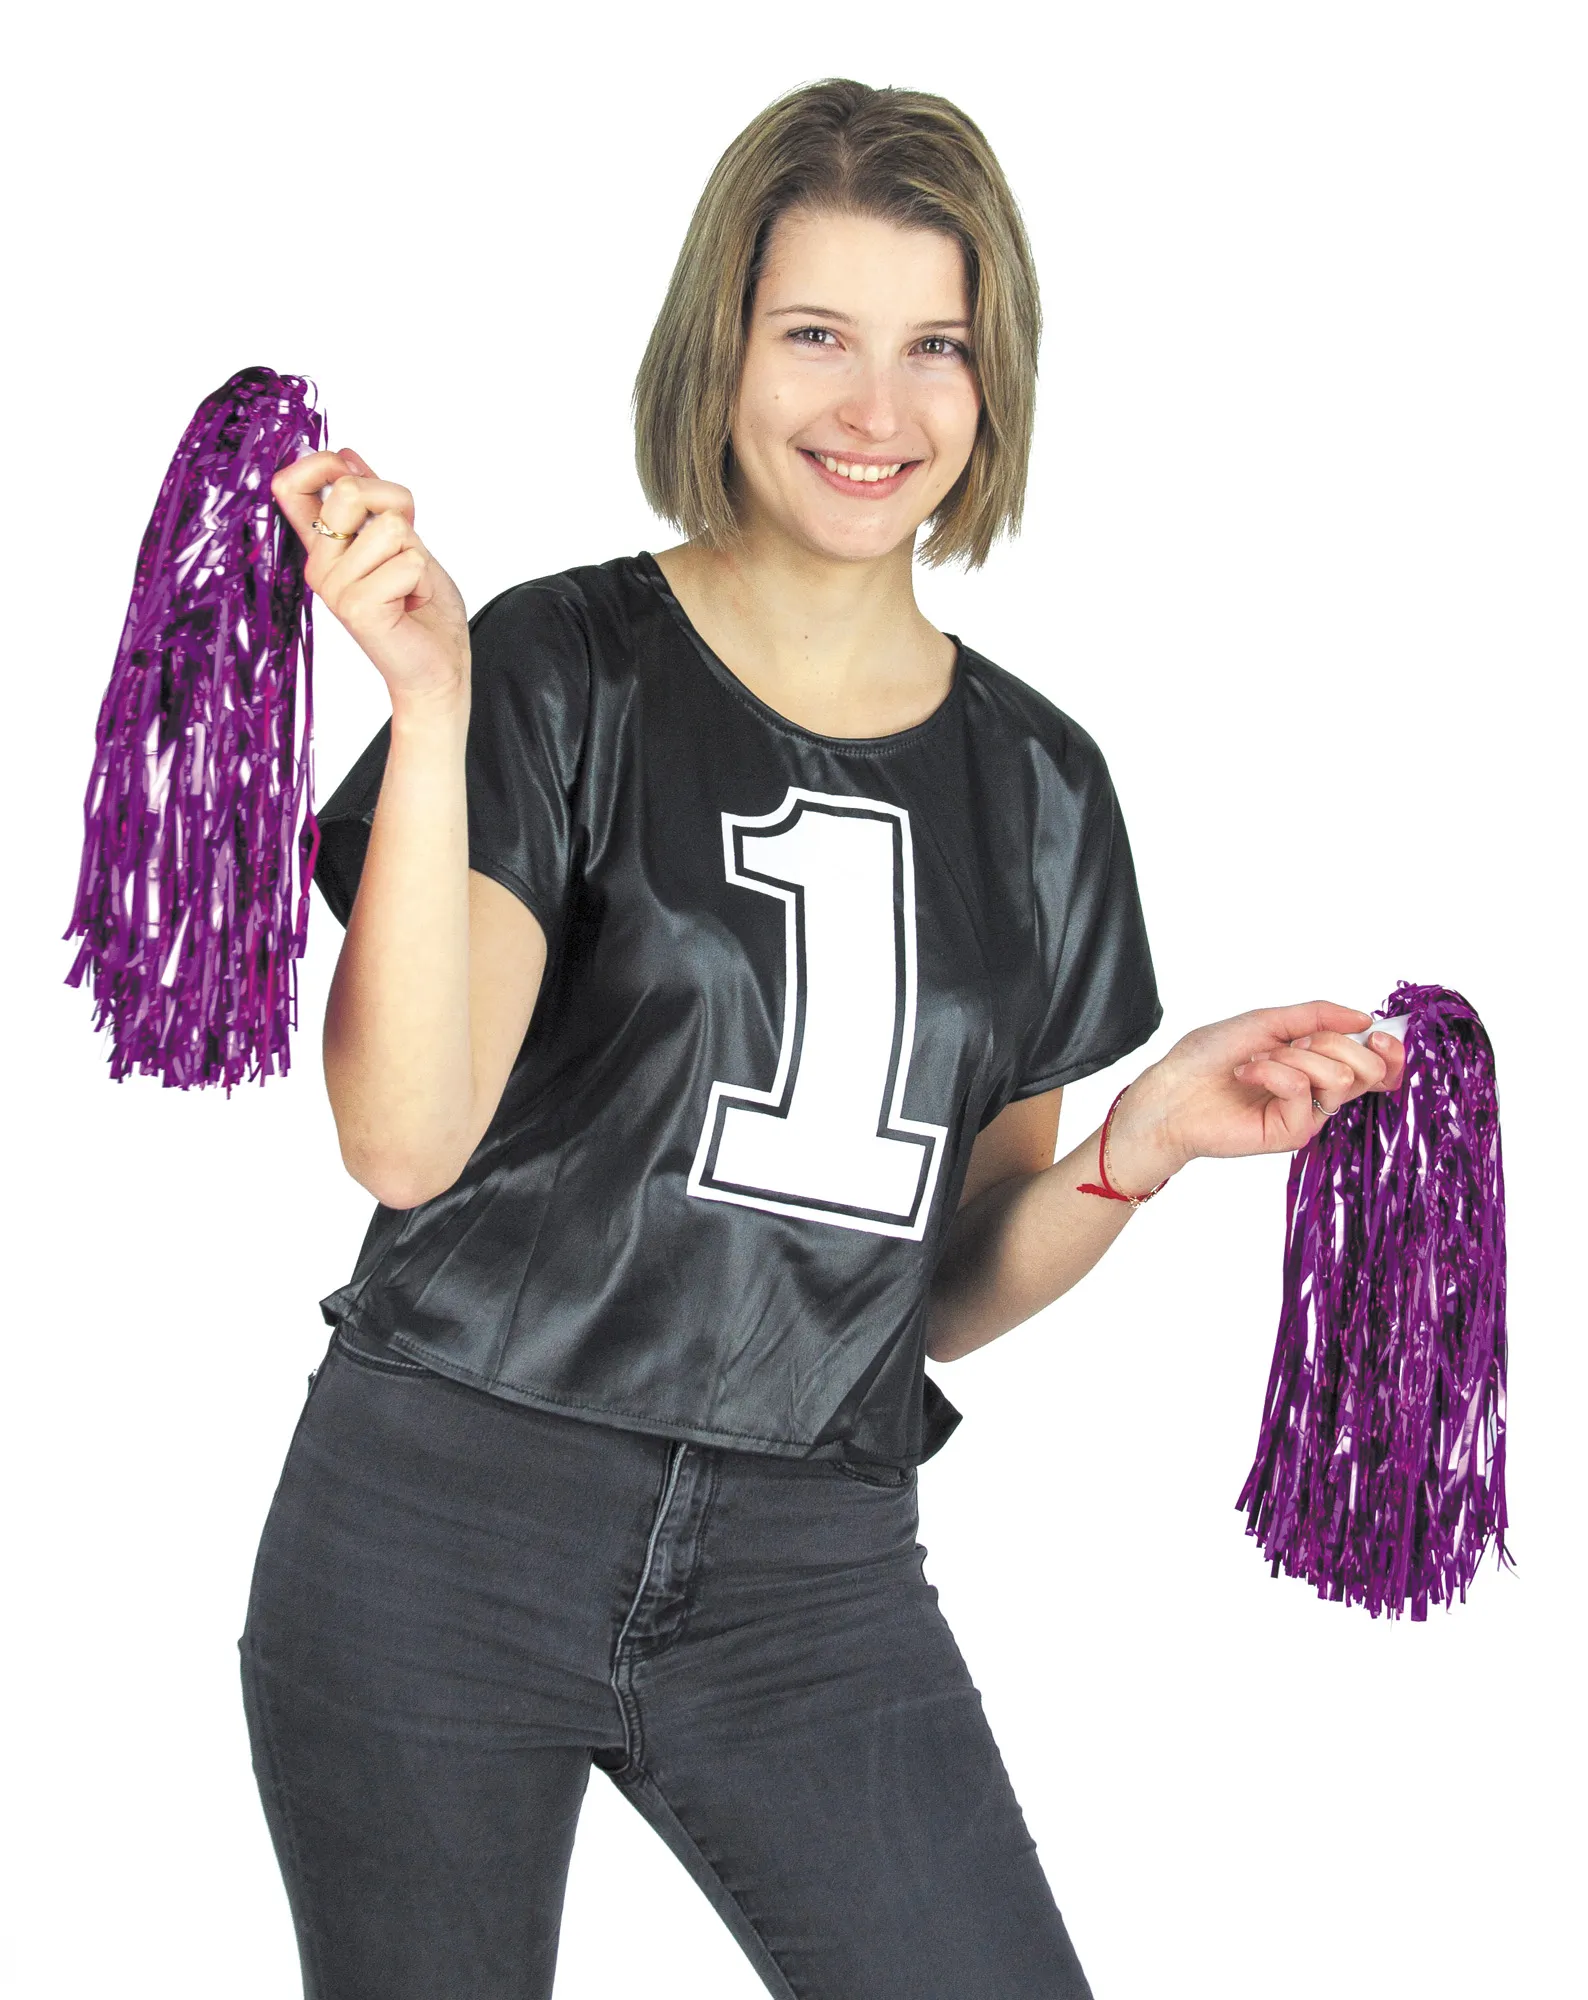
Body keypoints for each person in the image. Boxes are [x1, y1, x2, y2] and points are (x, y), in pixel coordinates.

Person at [245, 77, 1405, 2000]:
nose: (878, 408)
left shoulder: (1043, 787)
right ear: (720, 348)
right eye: (816, 334)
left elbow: (933, 1297)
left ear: (991, 379)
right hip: (444, 1519)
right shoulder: (557, 666)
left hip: (810, 1574)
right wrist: (432, 707)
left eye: (934, 346)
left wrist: (1138, 1143)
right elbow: (403, 1140)